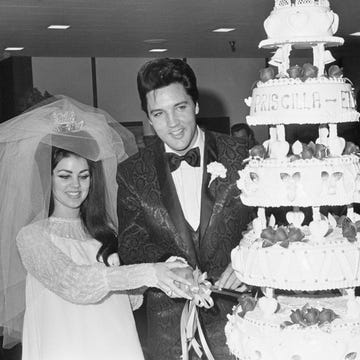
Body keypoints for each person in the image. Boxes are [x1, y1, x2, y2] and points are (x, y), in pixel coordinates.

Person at [0, 96, 192, 360]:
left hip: (115, 341)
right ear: (48, 177)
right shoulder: (32, 236)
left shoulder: (108, 232)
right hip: (65, 347)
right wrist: (150, 273)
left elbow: (130, 299)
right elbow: (76, 284)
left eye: (84, 175)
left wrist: (167, 270)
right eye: (64, 175)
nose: (75, 186)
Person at [116, 58, 253, 360]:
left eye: (180, 107)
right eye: (159, 114)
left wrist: (251, 262)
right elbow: (130, 243)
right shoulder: (131, 172)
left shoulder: (242, 156)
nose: (173, 124)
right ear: (149, 119)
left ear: (196, 105)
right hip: (169, 333)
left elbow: (271, 225)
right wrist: (166, 264)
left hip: (240, 324)